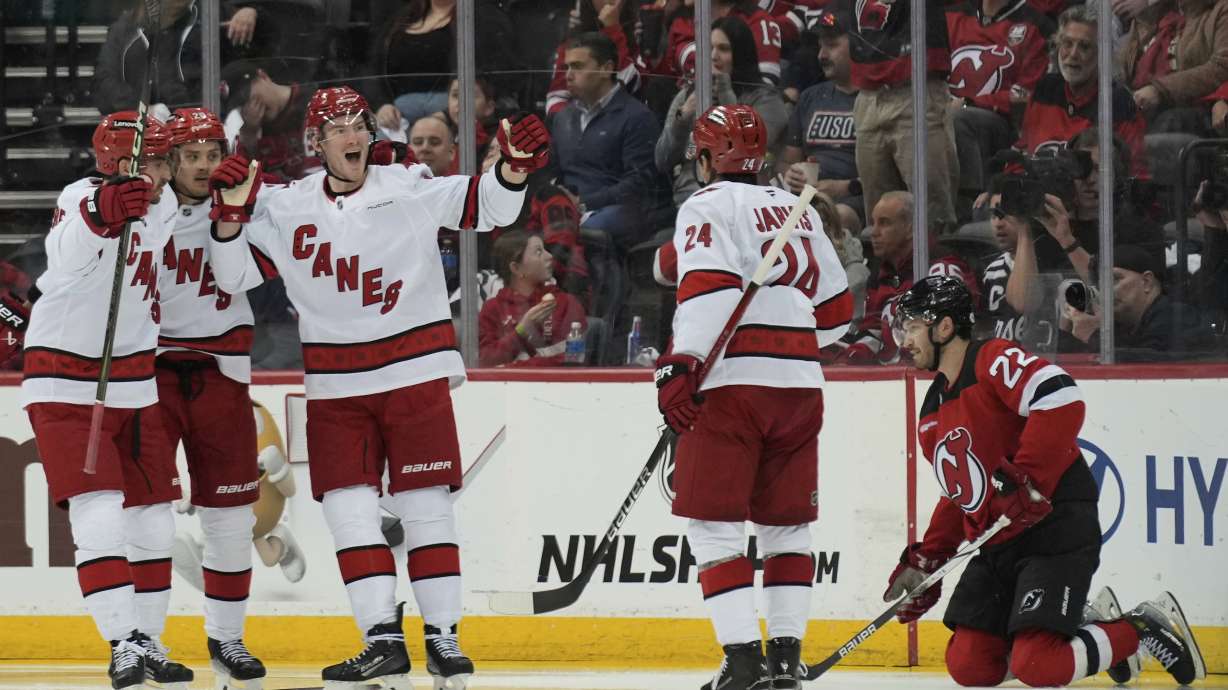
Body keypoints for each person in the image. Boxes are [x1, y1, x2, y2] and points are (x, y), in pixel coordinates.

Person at [207, 84, 550, 689]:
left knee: (427, 508)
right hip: (335, 384)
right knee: (348, 512)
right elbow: (231, 276)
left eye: (358, 124)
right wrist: (230, 215)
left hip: (413, 371)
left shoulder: (408, 187)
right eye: (336, 128)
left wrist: (514, 170)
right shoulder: (284, 205)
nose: (351, 135)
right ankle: (382, 640)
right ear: (316, 144)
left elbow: (488, 206)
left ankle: (444, 638)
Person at [886, 275, 1206, 688]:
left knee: (1038, 665)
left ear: (944, 327)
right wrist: (927, 560)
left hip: (1054, 524)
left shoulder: (991, 358)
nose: (905, 341)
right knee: (970, 666)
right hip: (1001, 542)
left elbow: (1060, 397)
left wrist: (1028, 482)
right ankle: (1084, 626)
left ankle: (1142, 626)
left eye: (912, 327)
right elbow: (961, 494)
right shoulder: (931, 410)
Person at [654, 104, 852, 690]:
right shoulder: (800, 210)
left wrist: (679, 367)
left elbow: (709, 292)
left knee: (715, 526)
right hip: (799, 386)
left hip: (734, 388)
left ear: (708, 156)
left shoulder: (706, 204)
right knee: (786, 527)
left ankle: (742, 662)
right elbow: (838, 316)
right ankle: (787, 660)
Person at [21, 113, 192, 689]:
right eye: (154, 160)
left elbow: (167, 210)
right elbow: (64, 255)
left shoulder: (163, 205)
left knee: (154, 523)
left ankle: (147, 639)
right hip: (68, 381)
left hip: (134, 381)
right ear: (119, 164)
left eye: (166, 161)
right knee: (98, 518)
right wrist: (103, 215)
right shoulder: (81, 197)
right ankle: (121, 644)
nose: (163, 172)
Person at [154, 106, 267, 688]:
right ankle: (142, 642)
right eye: (191, 156)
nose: (203, 167)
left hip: (221, 370)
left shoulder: (250, 201)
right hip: (146, 373)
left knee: (230, 518)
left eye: (211, 155)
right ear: (169, 159)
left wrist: (237, 209)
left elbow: (243, 279)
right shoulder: (142, 207)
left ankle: (227, 640)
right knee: (143, 514)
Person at [847, 0, 960, 232]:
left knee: (932, 212)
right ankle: (888, 269)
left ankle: (937, 268)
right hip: (869, 95)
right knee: (879, 214)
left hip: (916, 88)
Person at [656, 17, 788, 206]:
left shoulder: (766, 99)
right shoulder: (688, 95)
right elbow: (662, 160)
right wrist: (683, 117)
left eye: (723, 49)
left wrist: (725, 93)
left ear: (741, 54)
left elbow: (747, 151)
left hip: (742, 203)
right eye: (709, 48)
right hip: (689, 202)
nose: (713, 56)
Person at [549, 31, 664, 246]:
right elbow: (555, 172)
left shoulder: (636, 117)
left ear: (606, 68)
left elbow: (639, 183)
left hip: (620, 211)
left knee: (576, 236)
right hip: (570, 210)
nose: (568, 75)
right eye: (567, 67)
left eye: (578, 66)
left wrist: (584, 203)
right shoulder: (562, 118)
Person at [1016, 5, 1148, 178]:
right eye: (1067, 44)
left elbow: (1135, 177)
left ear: (1103, 54)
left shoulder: (1118, 102)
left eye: (1084, 47)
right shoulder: (1044, 90)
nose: (1073, 54)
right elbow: (1023, 154)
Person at [777, 7, 863, 232]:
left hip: (856, 200)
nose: (821, 55)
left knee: (836, 216)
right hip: (807, 198)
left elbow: (888, 178)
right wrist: (791, 174)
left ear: (858, 46)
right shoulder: (809, 97)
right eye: (820, 45)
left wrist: (845, 187)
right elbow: (787, 160)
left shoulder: (877, 100)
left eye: (832, 45)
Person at [1059, 244, 1213, 360]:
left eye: (1115, 279)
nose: (1105, 292)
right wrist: (1067, 327)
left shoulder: (1176, 316)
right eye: (1101, 285)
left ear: (1146, 281)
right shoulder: (1125, 326)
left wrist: (1094, 335)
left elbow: (1152, 363)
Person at [478, 231, 588, 366]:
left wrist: (515, 369)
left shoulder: (567, 303)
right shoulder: (492, 309)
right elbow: (485, 363)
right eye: (538, 252)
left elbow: (574, 360)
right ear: (517, 268)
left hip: (556, 386)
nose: (550, 256)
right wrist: (522, 330)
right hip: (507, 387)